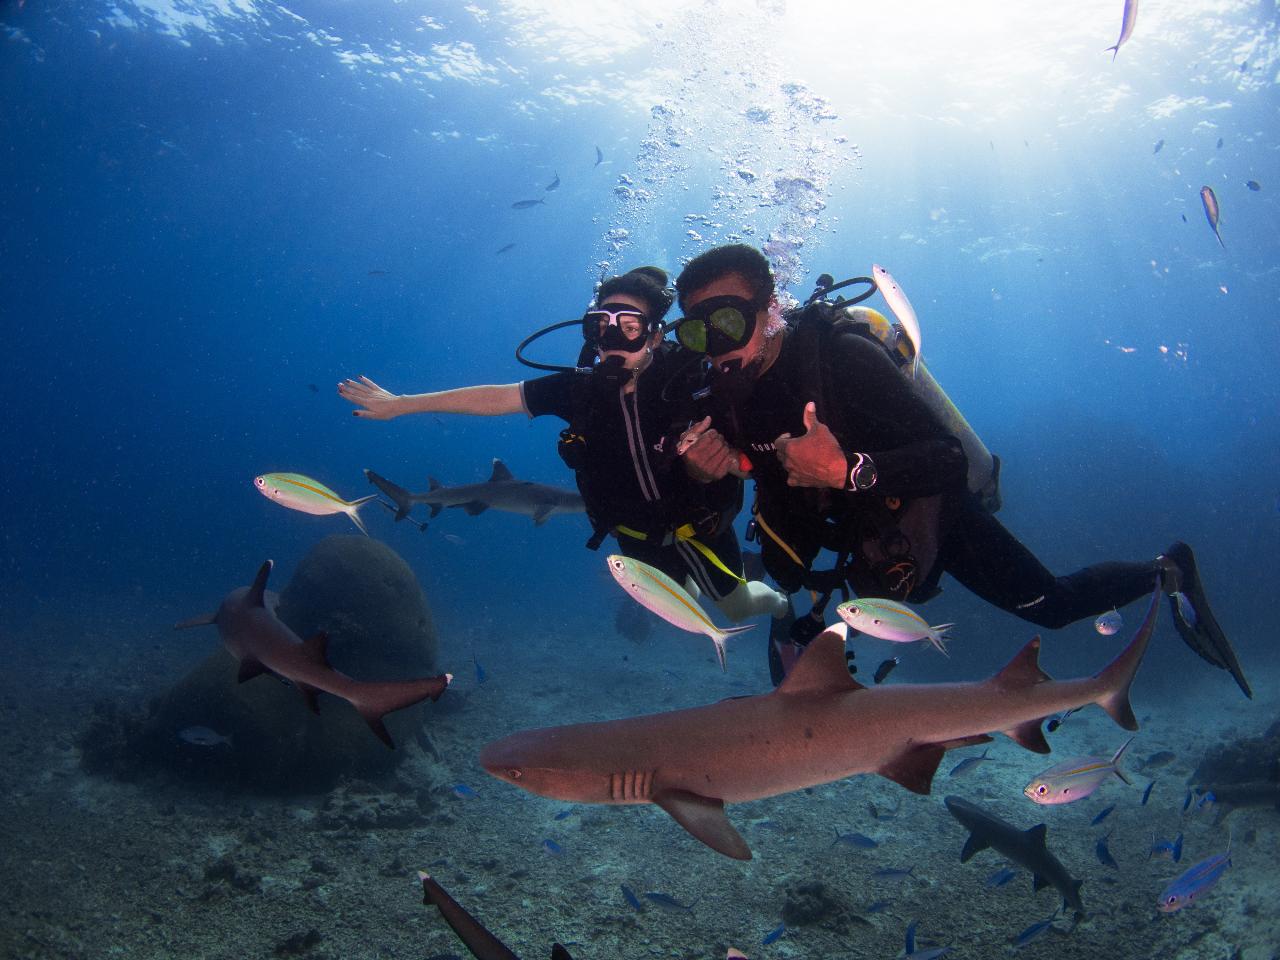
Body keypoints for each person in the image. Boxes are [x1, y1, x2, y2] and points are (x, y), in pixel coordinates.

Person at [672, 243, 1250, 696]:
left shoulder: (842, 360)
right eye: (695, 332)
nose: (713, 346)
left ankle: (1169, 570)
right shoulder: (722, 394)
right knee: (790, 590)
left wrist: (848, 470)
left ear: (770, 307)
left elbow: (947, 461)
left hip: (930, 509)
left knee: (1052, 607)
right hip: (850, 530)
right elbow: (753, 476)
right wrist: (712, 470)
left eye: (726, 323)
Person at [338, 265, 787, 625]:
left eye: (629, 327)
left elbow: (756, 451)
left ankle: (782, 608)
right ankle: (689, 584)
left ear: (654, 334)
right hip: (633, 538)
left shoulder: (692, 377)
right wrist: (403, 404)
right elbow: (497, 396)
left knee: (737, 607)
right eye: (600, 326)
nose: (613, 341)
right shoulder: (579, 390)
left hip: (700, 528)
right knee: (679, 608)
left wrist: (730, 462)